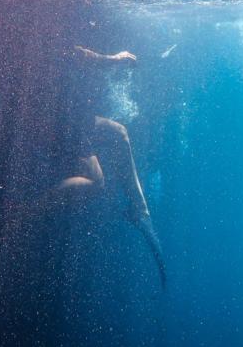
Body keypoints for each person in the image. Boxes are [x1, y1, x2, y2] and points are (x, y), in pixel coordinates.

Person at [54, 44, 166, 288]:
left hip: (71, 115)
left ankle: (140, 211)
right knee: (96, 183)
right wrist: (114, 59)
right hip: (57, 117)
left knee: (119, 133)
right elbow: (74, 53)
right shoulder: (51, 16)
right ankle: (29, 211)